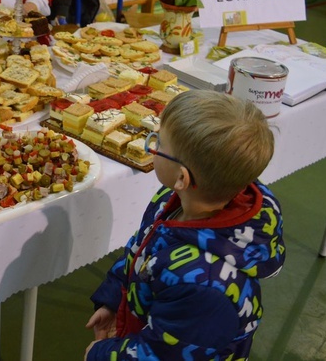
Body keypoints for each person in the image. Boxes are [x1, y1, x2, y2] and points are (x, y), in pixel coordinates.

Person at [85, 90, 286, 360]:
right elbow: (141, 248)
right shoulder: (174, 199)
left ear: (182, 177)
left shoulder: (206, 287)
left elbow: (161, 354)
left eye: (159, 144)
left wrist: (99, 355)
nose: (152, 146)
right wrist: (114, 298)